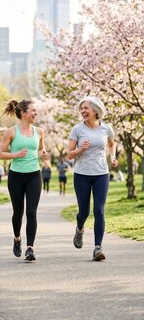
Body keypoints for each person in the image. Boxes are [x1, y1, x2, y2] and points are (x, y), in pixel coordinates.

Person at [67, 96, 118, 261]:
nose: (83, 111)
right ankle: (80, 229)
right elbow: (69, 154)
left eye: (86, 108)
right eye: (81, 109)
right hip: (82, 174)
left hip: (101, 174)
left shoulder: (106, 129)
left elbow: (111, 144)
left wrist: (113, 156)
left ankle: (98, 248)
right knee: (84, 212)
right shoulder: (77, 129)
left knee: (99, 210)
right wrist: (80, 149)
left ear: (95, 110)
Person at [0, 99, 48, 262]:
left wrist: (45, 156)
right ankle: (17, 239)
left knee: (31, 212)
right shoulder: (11, 132)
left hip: (34, 175)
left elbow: (41, 150)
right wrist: (15, 155)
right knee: (18, 212)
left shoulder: (39, 131)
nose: (36, 113)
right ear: (23, 113)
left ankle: (30, 248)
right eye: (33, 110)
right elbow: (0, 154)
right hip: (16, 176)